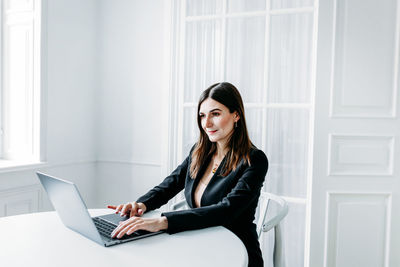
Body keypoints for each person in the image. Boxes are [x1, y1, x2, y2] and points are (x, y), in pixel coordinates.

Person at [108, 82, 268, 267]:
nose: (206, 123)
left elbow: (227, 210)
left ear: (236, 115)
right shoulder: (200, 152)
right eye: (202, 116)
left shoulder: (254, 159)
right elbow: (171, 184)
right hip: (199, 244)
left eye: (215, 114)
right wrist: (141, 204)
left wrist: (162, 222)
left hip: (235, 251)